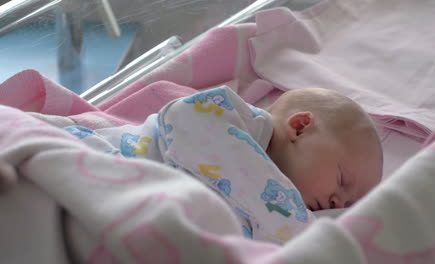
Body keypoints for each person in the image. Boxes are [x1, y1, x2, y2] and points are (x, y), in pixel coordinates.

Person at [0, 85, 382, 243]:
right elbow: (184, 123)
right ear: (299, 127)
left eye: (348, 202)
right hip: (102, 159)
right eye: (342, 180)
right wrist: (293, 226)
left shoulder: (285, 208)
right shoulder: (227, 114)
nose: (338, 202)